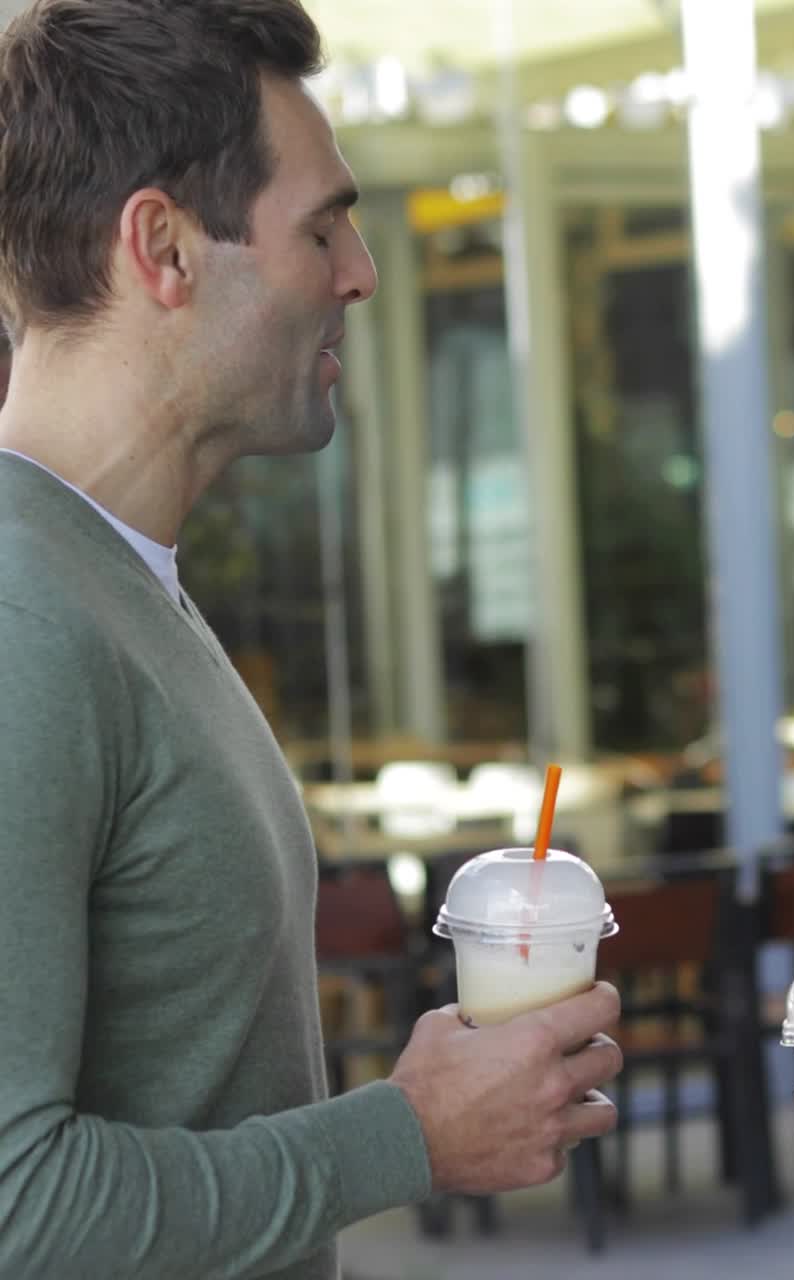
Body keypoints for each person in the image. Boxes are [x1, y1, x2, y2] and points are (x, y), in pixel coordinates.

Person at [0, 3, 622, 1278]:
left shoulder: (112, 584)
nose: (361, 273)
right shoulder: (26, 618)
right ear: (163, 246)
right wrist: (404, 1134)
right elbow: (17, 1207)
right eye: (322, 224)